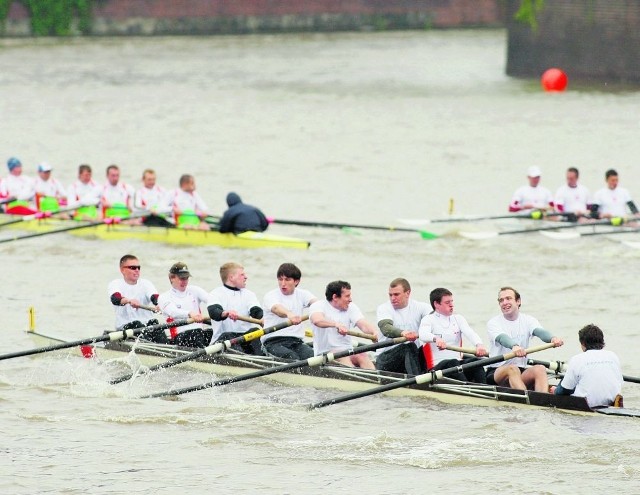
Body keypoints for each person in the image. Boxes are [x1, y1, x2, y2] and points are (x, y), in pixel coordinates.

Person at [486, 286, 563, 392]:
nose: (504, 302)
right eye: (501, 300)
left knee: (540, 369)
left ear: (518, 301)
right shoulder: (493, 323)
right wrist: (514, 346)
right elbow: (502, 338)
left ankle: (543, 402)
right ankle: (526, 401)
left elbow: (539, 331)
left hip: (520, 371)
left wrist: (552, 338)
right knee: (513, 368)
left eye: (508, 298)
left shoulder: (528, 320)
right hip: (497, 373)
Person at [419, 288, 488, 383]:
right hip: (436, 369)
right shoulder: (428, 320)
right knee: (453, 363)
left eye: (452, 301)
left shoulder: (458, 319)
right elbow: (422, 334)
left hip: (457, 365)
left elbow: (470, 333)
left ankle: (485, 389)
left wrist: (479, 345)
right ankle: (467, 389)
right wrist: (436, 339)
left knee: (476, 362)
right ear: (436, 304)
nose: (452, 305)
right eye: (447, 302)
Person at [309, 280, 378, 369]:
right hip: (325, 354)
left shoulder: (350, 307)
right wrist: (336, 324)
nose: (350, 299)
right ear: (335, 297)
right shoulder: (318, 306)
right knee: (343, 357)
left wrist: (374, 332)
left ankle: (375, 379)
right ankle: (355, 379)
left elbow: (363, 324)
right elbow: (317, 320)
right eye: (347, 296)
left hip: (347, 350)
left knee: (362, 355)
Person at [551, 324, 623, 408]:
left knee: (566, 386)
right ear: (601, 341)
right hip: (612, 404)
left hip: (587, 406)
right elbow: (620, 382)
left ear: (583, 343)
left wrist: (556, 391)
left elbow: (565, 390)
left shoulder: (577, 359)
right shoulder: (613, 356)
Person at [261, 263, 317, 360]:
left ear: (296, 281)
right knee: (292, 357)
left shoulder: (303, 294)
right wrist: (289, 314)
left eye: (287, 279)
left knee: (313, 358)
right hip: (273, 342)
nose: (283, 283)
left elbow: (318, 304)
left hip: (296, 342)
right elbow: (276, 309)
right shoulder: (271, 296)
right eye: (280, 279)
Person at [206, 262, 263, 354]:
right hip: (222, 339)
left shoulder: (249, 294)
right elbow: (214, 312)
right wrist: (225, 313)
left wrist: (265, 317)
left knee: (255, 332)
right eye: (242, 274)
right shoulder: (216, 294)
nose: (246, 277)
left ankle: (262, 358)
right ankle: (244, 362)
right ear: (231, 277)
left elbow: (256, 312)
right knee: (228, 336)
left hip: (245, 338)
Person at [375, 278, 429, 375]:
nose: (392, 298)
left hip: (410, 358)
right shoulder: (384, 308)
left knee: (429, 347)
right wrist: (403, 333)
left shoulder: (421, 307)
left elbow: (435, 322)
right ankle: (418, 382)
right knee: (408, 347)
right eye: (390, 295)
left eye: (396, 294)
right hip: (385, 360)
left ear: (407, 293)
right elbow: (386, 328)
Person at [107, 254, 162, 341]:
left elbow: (155, 297)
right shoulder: (115, 284)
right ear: (122, 270)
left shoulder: (146, 284)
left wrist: (159, 304)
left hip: (147, 325)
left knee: (154, 323)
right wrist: (128, 301)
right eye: (133, 267)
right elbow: (115, 298)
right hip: (126, 328)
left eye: (138, 268)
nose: (137, 270)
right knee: (137, 324)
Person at [157, 262, 211, 348]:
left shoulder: (195, 290)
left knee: (213, 333)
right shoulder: (164, 297)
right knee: (195, 334)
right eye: (182, 278)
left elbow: (212, 300)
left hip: (199, 334)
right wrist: (190, 313)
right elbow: (173, 312)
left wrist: (223, 311)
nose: (185, 281)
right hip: (180, 338)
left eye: (186, 278)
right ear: (171, 277)